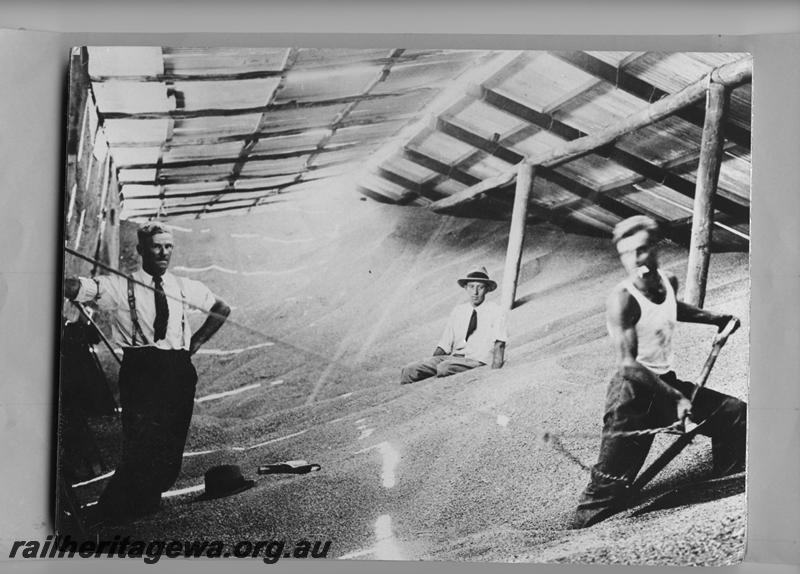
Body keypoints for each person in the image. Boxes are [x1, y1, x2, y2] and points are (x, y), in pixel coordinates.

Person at [571, 215, 746, 529]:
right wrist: (677, 399)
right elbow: (628, 364)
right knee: (609, 488)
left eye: (641, 250)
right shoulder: (622, 300)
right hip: (631, 397)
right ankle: (572, 540)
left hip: (666, 385)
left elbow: (672, 307)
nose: (635, 260)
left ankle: (724, 490)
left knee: (735, 415)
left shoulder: (668, 280)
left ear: (656, 247)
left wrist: (716, 318)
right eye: (626, 254)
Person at [64, 222, 230, 525]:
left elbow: (222, 307)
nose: (163, 252)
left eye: (168, 246)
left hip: (178, 371)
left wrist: (196, 342)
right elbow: (81, 288)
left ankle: (146, 499)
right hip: (141, 371)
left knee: (170, 447)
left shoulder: (184, 286)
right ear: (141, 249)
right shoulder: (120, 287)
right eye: (156, 246)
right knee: (140, 444)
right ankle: (116, 508)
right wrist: (66, 281)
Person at [400, 266, 507, 385]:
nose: (475, 292)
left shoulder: (496, 311)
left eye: (480, 287)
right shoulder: (458, 311)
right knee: (409, 370)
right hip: (454, 359)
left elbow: (500, 344)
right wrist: (432, 361)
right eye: (471, 287)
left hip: (476, 360)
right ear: (466, 288)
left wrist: (495, 373)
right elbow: (444, 344)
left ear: (487, 289)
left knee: (444, 368)